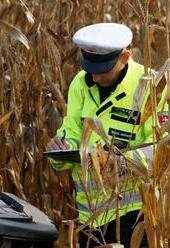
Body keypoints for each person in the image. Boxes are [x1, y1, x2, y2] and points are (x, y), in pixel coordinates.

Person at [46, 23, 164, 247]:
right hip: (89, 216)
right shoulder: (80, 83)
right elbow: (72, 130)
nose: (95, 77)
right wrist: (61, 148)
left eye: (103, 69)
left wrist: (120, 162)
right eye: (91, 68)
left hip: (135, 216)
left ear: (125, 57)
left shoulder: (153, 85)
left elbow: (162, 150)